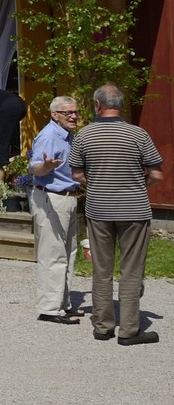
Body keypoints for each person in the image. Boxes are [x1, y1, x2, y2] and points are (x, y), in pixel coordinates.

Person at [69, 83, 166, 345]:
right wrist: (137, 184)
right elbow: (157, 175)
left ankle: (103, 327)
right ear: (120, 104)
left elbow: (77, 174)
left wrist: (97, 183)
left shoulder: (84, 135)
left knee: (101, 270)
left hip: (99, 209)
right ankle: (129, 330)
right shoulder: (138, 134)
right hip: (134, 209)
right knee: (131, 270)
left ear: (97, 104)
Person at [29, 95, 84, 324]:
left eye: (75, 112)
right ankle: (49, 308)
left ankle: (63, 303)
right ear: (54, 114)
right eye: (67, 112)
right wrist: (46, 166)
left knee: (68, 252)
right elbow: (35, 168)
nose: (73, 116)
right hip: (52, 197)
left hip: (68, 197)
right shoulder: (49, 135)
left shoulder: (68, 136)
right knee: (53, 254)